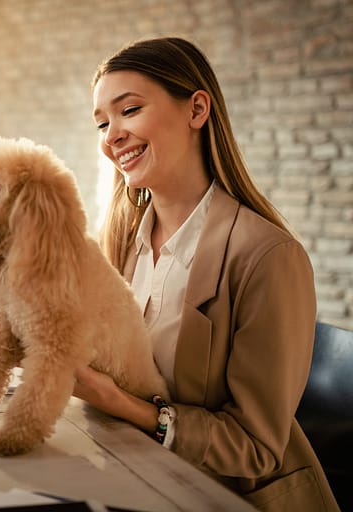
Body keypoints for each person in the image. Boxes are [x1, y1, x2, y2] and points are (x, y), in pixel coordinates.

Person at [75, 37, 338, 511]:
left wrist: (121, 404)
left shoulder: (268, 256)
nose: (111, 135)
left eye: (129, 110)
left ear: (197, 109)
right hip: (127, 480)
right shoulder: (117, 244)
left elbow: (255, 448)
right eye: (101, 122)